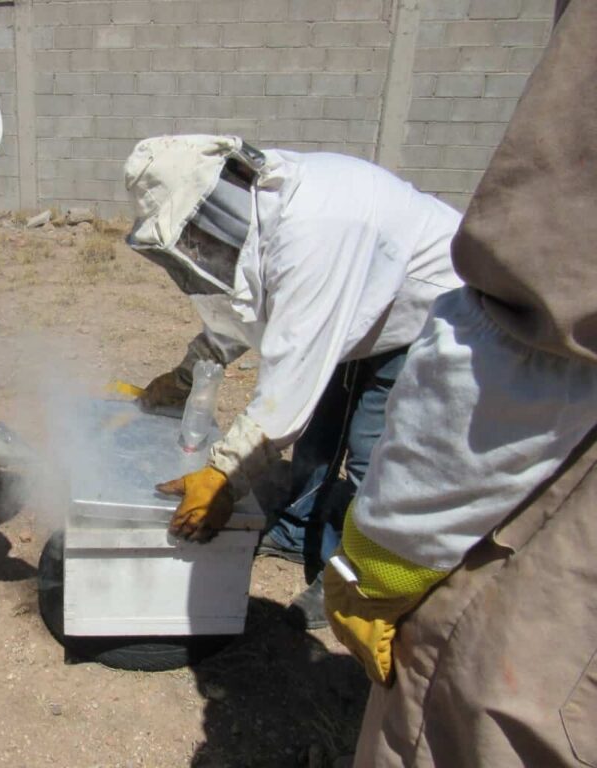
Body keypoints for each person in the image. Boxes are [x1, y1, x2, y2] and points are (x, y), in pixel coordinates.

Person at [324, 0, 597, 763]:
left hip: (556, 499)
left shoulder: (315, 227)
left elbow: (535, 318)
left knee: (475, 701)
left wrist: (380, 557)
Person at [124, 136, 463, 628]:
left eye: (197, 231)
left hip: (427, 310)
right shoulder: (261, 222)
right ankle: (297, 527)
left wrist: (223, 476)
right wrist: (181, 379)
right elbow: (234, 319)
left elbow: (286, 389)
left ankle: (352, 578)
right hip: (360, 308)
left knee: (378, 452)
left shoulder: (314, 230)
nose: (198, 245)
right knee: (319, 435)